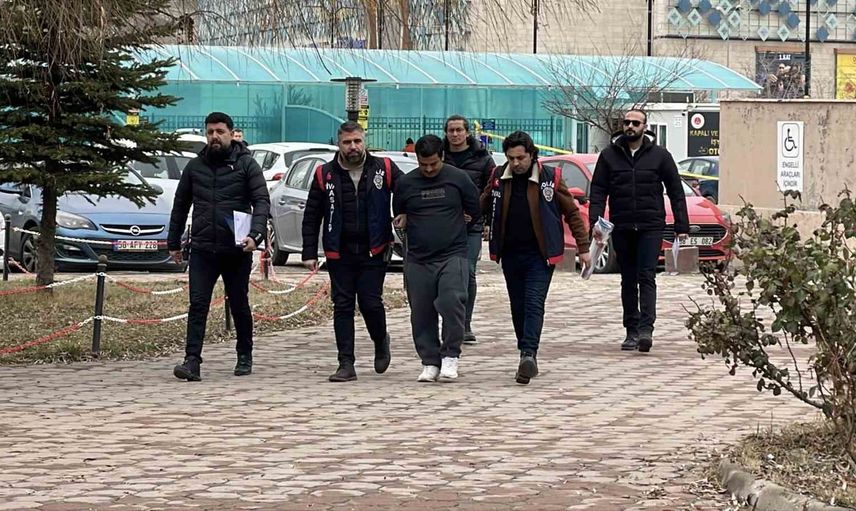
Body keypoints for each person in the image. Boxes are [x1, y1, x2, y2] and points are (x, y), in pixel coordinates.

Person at [481, 131, 590, 385]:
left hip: (540, 255)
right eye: (511, 158)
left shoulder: (551, 177)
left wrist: (583, 247)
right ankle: (525, 351)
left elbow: (572, 213)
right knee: (517, 305)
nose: (516, 163)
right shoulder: (499, 176)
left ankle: (529, 353)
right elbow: (482, 204)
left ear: (532, 155)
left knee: (533, 303)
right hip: (510, 253)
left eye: (521, 158)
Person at [168, 112, 270, 381]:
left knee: (239, 303)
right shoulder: (195, 167)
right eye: (210, 132)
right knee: (198, 304)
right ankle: (192, 361)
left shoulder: (247, 165)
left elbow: (261, 202)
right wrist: (173, 242)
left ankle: (244, 354)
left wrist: (256, 235)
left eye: (220, 132)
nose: (215, 136)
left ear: (232, 134)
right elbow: (180, 205)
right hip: (203, 248)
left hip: (236, 248)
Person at [302, 121, 404, 382]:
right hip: (339, 251)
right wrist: (308, 251)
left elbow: (407, 191)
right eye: (347, 142)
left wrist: (403, 213)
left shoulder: (384, 168)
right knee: (343, 305)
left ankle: (380, 340)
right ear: (339, 144)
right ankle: (345, 363)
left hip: (374, 249)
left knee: (371, 303)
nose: (353, 147)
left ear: (364, 141)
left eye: (357, 141)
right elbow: (312, 215)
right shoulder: (324, 174)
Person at [588, 108, 689, 353]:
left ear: (645, 126)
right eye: (627, 122)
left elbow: (676, 191)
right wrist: (596, 223)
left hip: (650, 225)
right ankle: (631, 331)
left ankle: (646, 330)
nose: (630, 126)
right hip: (622, 225)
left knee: (647, 276)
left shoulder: (660, 155)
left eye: (636, 122)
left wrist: (681, 225)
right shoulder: (609, 155)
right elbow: (598, 190)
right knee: (628, 279)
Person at [393, 135, 481, 383]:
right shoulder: (406, 183)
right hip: (418, 257)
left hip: (452, 254)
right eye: (424, 165)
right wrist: (402, 218)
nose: (429, 169)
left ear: (442, 156)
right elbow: (399, 210)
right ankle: (430, 361)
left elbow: (474, 210)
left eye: (434, 163)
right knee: (421, 311)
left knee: (452, 302)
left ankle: (450, 354)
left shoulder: (458, 179)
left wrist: (462, 224)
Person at [443, 114, 495, 345]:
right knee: (447, 273)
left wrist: (487, 221)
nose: (455, 134)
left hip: (472, 224)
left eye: (459, 130)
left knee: (468, 271)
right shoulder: (440, 156)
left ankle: (465, 324)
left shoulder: (483, 158)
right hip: (444, 224)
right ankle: (449, 322)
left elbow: (491, 191)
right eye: (451, 130)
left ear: (467, 132)